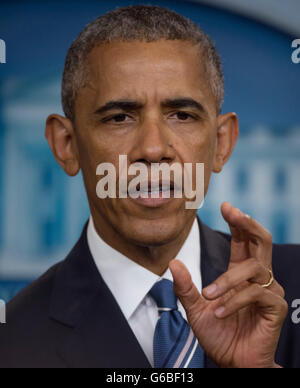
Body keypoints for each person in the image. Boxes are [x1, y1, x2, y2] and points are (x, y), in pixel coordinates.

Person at [0, 5, 299, 369]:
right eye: (120, 118)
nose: (153, 149)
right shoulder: (11, 342)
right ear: (66, 145)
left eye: (182, 115)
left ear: (221, 143)